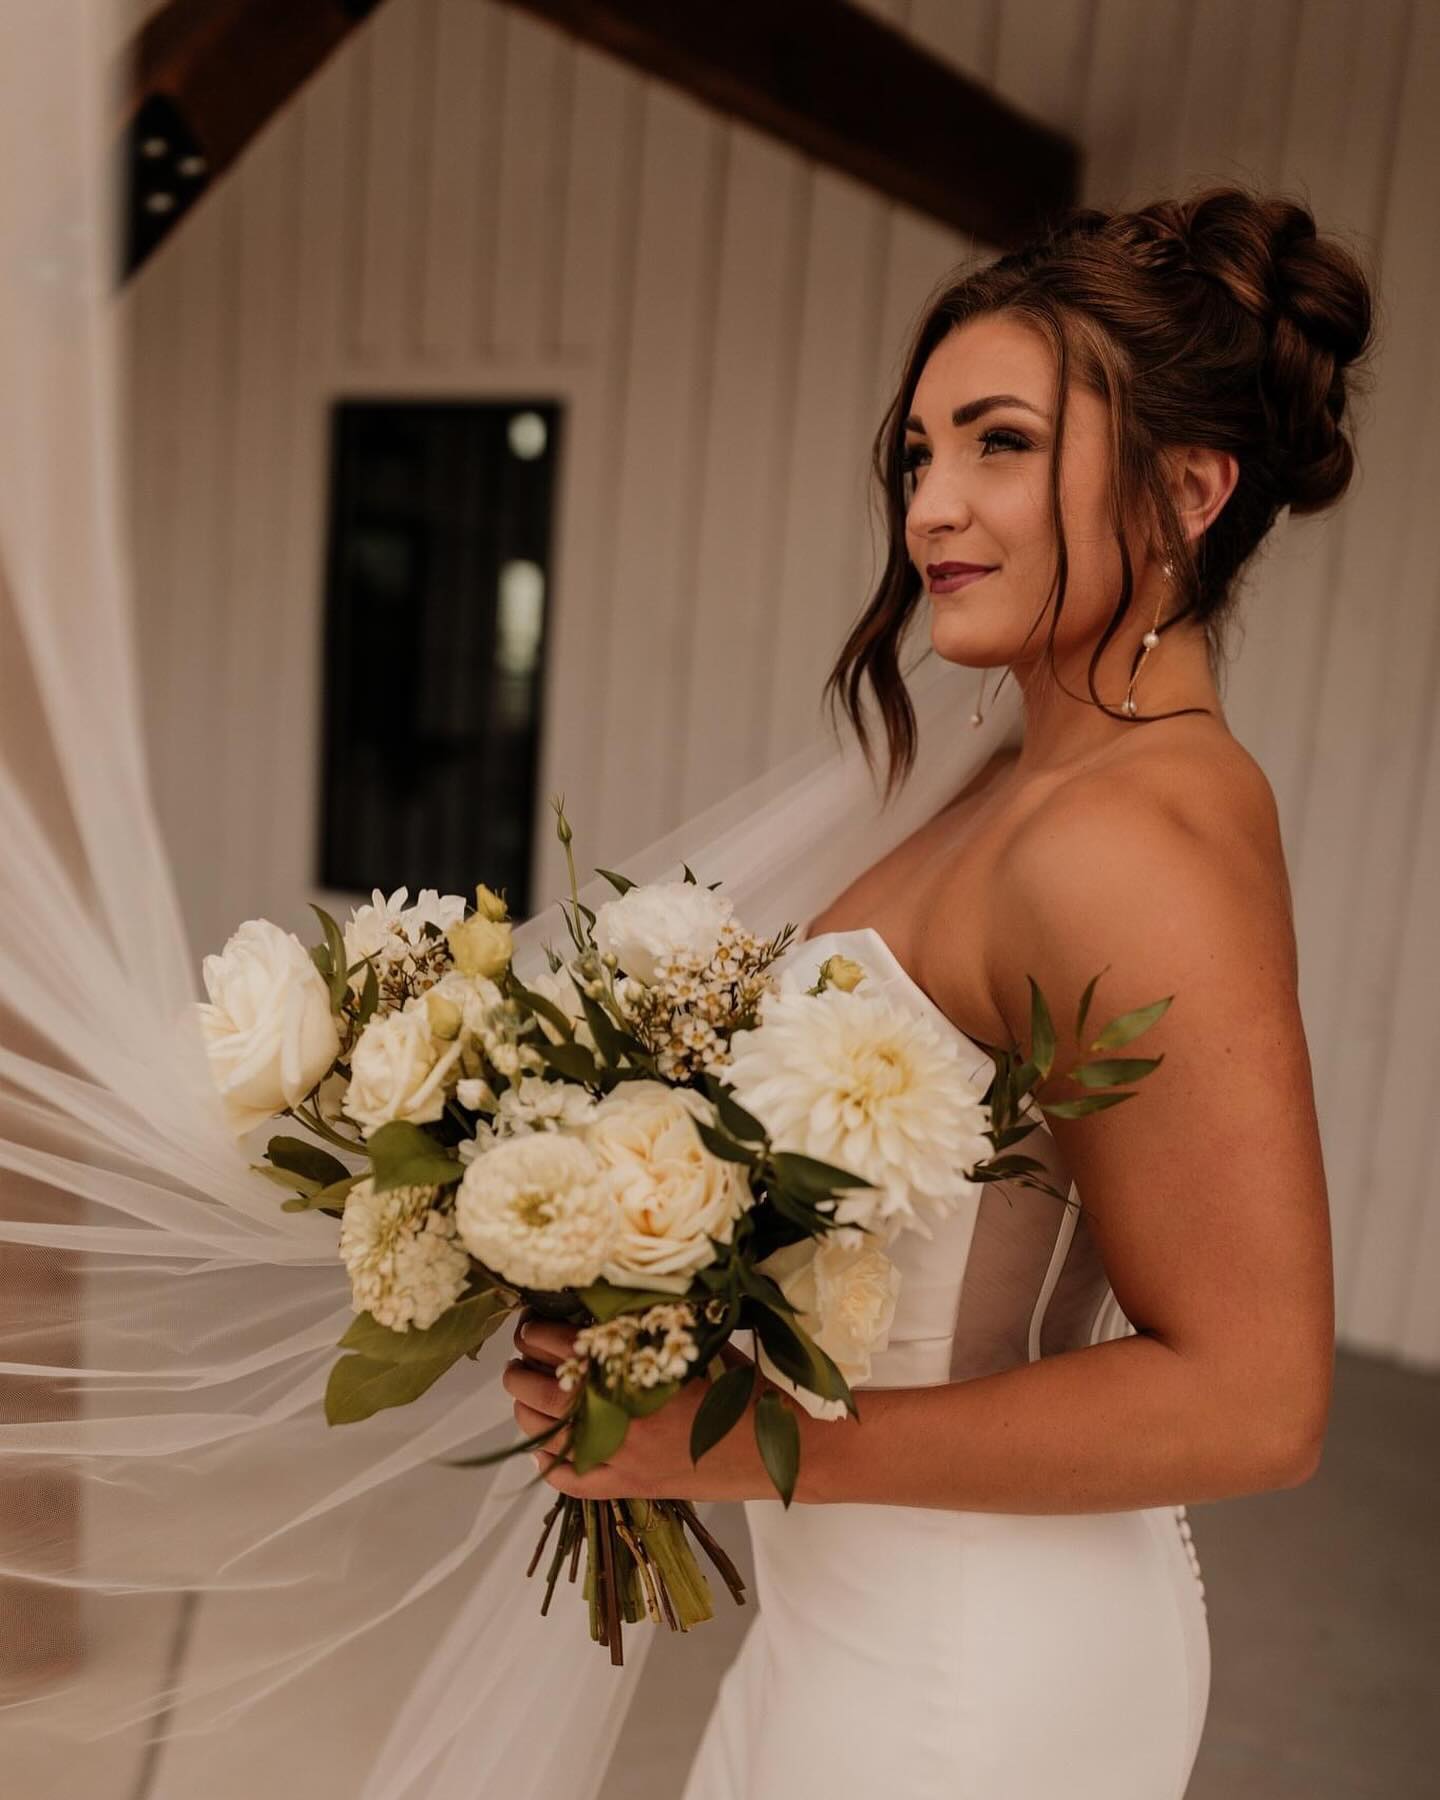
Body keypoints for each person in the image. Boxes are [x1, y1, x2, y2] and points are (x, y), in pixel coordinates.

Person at [503, 187, 1372, 1796]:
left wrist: (728, 1439)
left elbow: (1258, 1400)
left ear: (1188, 489)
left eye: (1001, 445)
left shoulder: (1126, 843)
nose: (930, 510)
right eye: (918, 455)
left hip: (970, 1670)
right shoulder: (1022, 786)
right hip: (859, 1614)